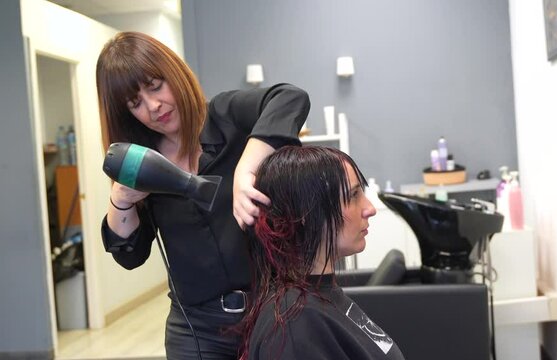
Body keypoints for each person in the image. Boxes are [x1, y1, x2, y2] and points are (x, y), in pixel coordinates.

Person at [96, 31, 310, 360]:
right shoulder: (144, 163)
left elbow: (291, 98)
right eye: (135, 103)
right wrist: (121, 199)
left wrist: (246, 168)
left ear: (174, 74)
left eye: (156, 86)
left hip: (273, 313)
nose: (153, 106)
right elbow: (130, 255)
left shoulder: (226, 116)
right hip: (196, 330)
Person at [239, 146, 406, 360]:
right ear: (306, 213)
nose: (370, 208)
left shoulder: (318, 296)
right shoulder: (293, 327)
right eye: (353, 195)